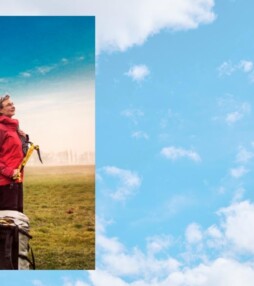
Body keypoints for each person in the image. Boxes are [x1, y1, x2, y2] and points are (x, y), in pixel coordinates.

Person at [0, 94, 27, 213]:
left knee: (17, 219)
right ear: (0, 110)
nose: (13, 106)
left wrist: (23, 140)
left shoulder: (13, 128)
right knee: (7, 222)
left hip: (17, 180)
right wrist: (9, 171)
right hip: (4, 183)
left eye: (13, 104)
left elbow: (19, 154)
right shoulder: (1, 129)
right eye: (9, 105)